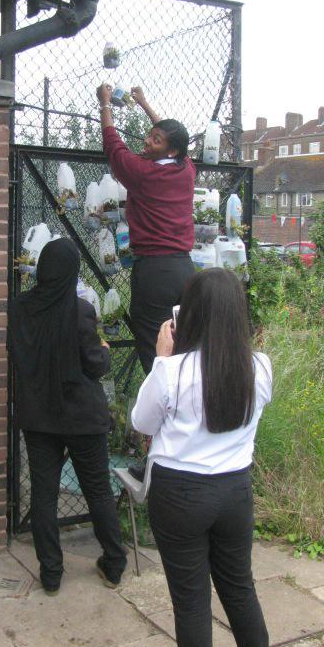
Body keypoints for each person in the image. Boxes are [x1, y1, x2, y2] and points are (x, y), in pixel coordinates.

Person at [131, 268, 276, 647]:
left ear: (188, 315)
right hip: (234, 490)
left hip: (179, 495)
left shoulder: (172, 371)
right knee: (239, 587)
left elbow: (141, 423)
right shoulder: (260, 366)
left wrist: (162, 357)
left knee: (191, 600)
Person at [8, 237, 127, 595]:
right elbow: (95, 365)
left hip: (38, 416)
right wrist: (104, 349)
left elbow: (20, 355)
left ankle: (51, 573)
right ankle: (114, 563)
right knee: (97, 490)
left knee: (43, 495)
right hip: (81, 418)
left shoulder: (19, 309)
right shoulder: (79, 311)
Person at [97, 83, 197, 481]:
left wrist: (107, 105)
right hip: (184, 270)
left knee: (154, 355)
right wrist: (144, 105)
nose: (148, 141)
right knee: (185, 349)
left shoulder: (142, 174)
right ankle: (186, 428)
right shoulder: (185, 169)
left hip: (154, 270)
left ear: (169, 149)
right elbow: (173, 138)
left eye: (155, 140)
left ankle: (163, 444)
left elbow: (113, 148)